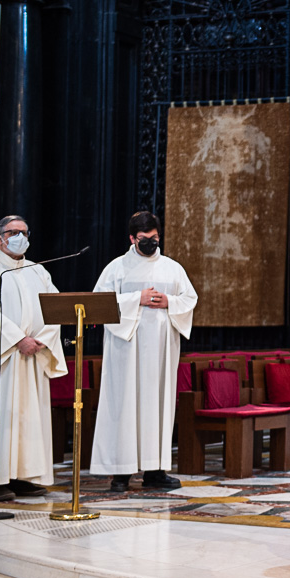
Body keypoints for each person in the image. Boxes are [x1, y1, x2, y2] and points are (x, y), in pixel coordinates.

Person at [90, 211, 197, 492]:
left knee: (157, 405)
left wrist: (168, 301)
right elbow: (99, 303)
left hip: (161, 351)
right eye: (143, 239)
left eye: (154, 238)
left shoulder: (172, 268)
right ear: (131, 238)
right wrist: (136, 298)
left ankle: (154, 470)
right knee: (124, 406)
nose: (150, 243)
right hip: (126, 350)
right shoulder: (117, 268)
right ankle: (120, 474)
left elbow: (189, 299)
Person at [0, 215, 66, 501]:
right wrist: (18, 339)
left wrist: (41, 339)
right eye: (13, 232)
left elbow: (56, 307)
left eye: (24, 232)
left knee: (28, 419)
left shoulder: (38, 272)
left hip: (33, 356)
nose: (20, 237)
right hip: (3, 359)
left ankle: (23, 476)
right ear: (0, 238)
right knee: (1, 417)